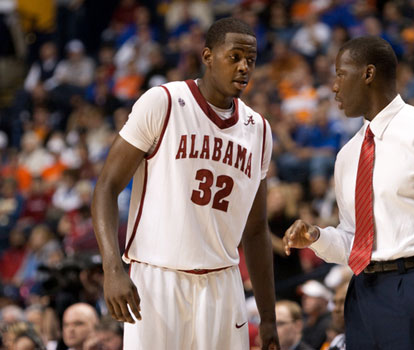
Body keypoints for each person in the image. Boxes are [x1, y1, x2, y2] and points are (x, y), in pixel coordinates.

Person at [283, 35, 414, 349]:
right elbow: (355, 241)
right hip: (363, 291)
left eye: (341, 74)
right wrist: (316, 237)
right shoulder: (348, 154)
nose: (335, 87)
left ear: (368, 74)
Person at [91, 17, 279, 350]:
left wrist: (268, 318)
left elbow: (256, 229)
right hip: (156, 278)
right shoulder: (162, 102)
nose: (243, 67)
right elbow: (106, 188)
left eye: (250, 60)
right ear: (207, 56)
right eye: (234, 57)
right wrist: (112, 268)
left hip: (223, 283)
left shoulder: (259, 130)